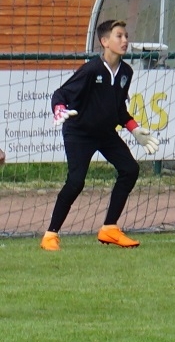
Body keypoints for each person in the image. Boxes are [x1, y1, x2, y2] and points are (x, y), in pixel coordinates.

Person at [41, 19, 160, 251]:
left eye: (126, 35)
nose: (125, 40)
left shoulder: (126, 71)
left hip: (105, 133)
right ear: (104, 42)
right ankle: (50, 235)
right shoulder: (91, 70)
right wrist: (59, 109)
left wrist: (134, 129)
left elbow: (118, 110)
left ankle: (109, 228)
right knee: (76, 182)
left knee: (130, 169)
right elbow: (61, 93)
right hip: (80, 133)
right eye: (119, 36)